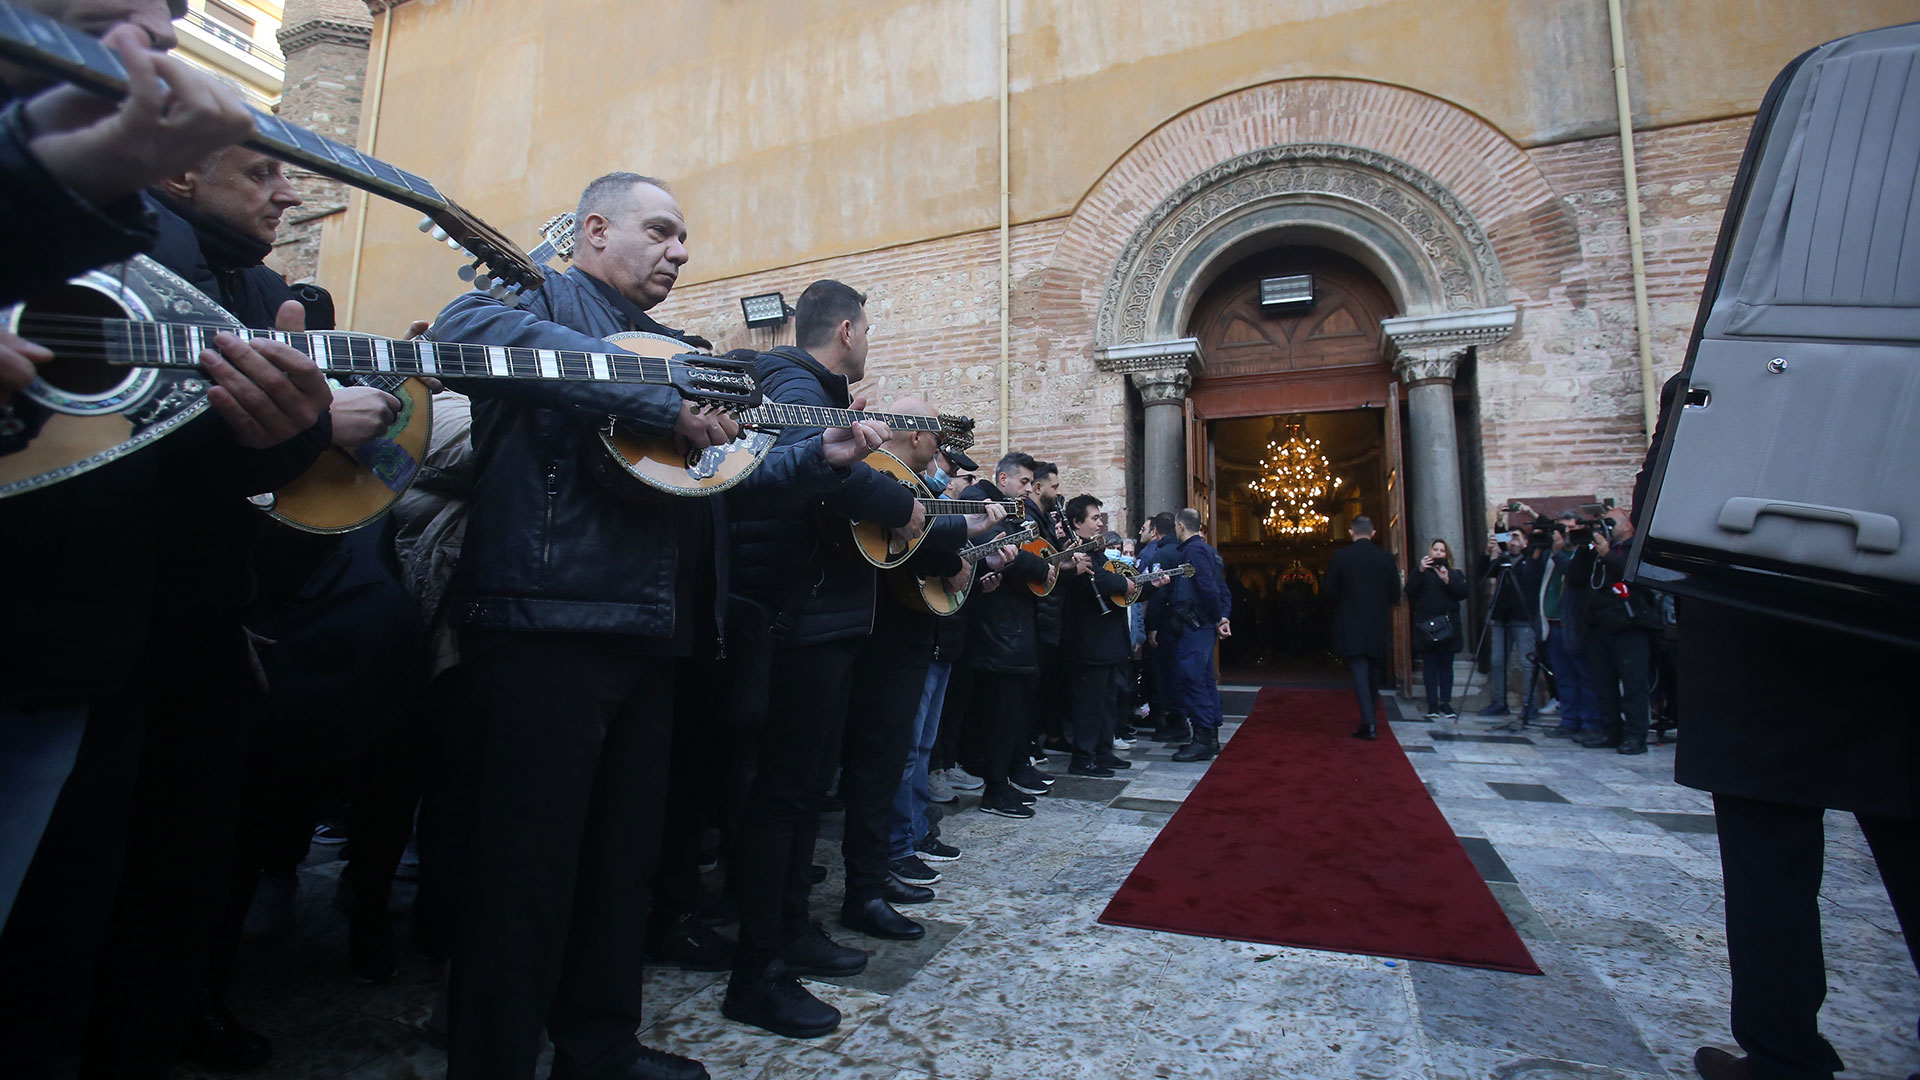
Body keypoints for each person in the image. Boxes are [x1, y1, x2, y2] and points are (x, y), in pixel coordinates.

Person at [426, 173, 875, 1080]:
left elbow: (721, 477)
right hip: (547, 622)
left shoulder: (673, 345)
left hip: (655, 633)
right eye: (661, 232)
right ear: (595, 230)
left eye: (684, 239)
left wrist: (811, 461)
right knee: (524, 872)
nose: (680, 252)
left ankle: (599, 1045)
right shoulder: (537, 297)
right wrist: (650, 389)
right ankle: (496, 1058)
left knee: (620, 865)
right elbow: (457, 337)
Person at [1620, 377, 1918, 1080]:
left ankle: (1784, 1057)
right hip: (1887, 629)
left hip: (1760, 648)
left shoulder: (1714, 385)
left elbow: (1660, 512)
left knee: (1769, 876)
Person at [720, 281, 924, 1039]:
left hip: (818, 613)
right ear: (846, 329)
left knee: (801, 793)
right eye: (867, 330)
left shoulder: (811, 389)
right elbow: (812, 476)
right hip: (796, 614)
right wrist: (905, 509)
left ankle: (790, 933)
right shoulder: (793, 386)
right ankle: (759, 968)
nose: (868, 343)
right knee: (783, 793)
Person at [955, 453, 1055, 818]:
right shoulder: (986, 507)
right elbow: (1010, 554)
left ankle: (1008, 777)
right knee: (999, 713)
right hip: (997, 632)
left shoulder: (1013, 511)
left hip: (1012, 629)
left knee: (1011, 711)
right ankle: (996, 788)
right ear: (1002, 479)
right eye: (1025, 482)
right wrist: (1043, 566)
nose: (1031, 490)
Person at [1059, 494, 1139, 775]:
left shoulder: (1097, 550)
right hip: (1088, 641)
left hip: (1107, 641)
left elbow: (1112, 575)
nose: (1100, 523)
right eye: (1094, 518)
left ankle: (1103, 752)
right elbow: (1099, 579)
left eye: (1100, 518)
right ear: (1076, 523)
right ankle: (1083, 757)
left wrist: (1145, 582)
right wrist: (1123, 582)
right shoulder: (1073, 550)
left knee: (1107, 700)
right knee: (1089, 703)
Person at [1567, 508, 1654, 755]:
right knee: (1603, 683)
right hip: (1599, 627)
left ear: (1628, 525)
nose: (1606, 527)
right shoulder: (1596, 555)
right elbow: (1575, 579)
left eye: (1611, 522)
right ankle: (1610, 731)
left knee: (1633, 684)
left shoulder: (1636, 550)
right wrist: (1585, 549)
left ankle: (1636, 736)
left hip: (1629, 626)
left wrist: (1607, 554)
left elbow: (1633, 576)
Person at [1160, 508, 1231, 763]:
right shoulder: (1208, 550)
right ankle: (1208, 735)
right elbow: (1222, 590)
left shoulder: (1194, 551)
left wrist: (1215, 618)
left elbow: (1210, 588)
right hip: (1202, 624)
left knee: (1192, 678)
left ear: (1180, 526)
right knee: (1201, 678)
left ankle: (1203, 738)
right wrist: (1222, 617)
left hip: (1196, 625)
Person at [1323, 516, 1402, 739]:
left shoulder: (1342, 557)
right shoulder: (1386, 558)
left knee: (1359, 669)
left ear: (1351, 532)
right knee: (1374, 670)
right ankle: (1370, 719)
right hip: (1378, 621)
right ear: (1373, 533)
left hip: (1351, 621)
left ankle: (1369, 723)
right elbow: (1395, 594)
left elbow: (1329, 590)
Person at [1476, 526, 1547, 721]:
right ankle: (1499, 702)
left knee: (1527, 663)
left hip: (1523, 618)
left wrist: (1527, 549)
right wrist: (1488, 553)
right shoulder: (1503, 561)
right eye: (1509, 537)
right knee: (1497, 661)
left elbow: (1531, 577)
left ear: (1525, 541)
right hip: (1501, 617)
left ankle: (1529, 704)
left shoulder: (1531, 559)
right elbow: (1483, 574)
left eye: (1516, 537)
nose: (1512, 542)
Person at [1406, 538, 1468, 720]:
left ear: (1447, 554)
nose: (1438, 553)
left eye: (1442, 550)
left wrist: (1446, 579)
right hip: (1428, 628)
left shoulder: (1455, 574)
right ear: (1430, 552)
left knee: (1446, 666)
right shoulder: (1422, 573)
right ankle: (1432, 703)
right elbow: (1410, 591)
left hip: (1448, 628)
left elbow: (1462, 593)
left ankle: (1446, 703)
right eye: (1436, 550)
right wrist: (1420, 570)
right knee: (1430, 666)